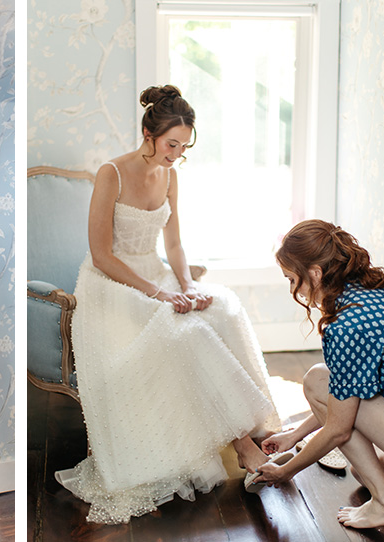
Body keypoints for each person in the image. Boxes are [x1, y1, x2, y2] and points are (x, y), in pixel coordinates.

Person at [54, 84, 283, 524]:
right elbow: (102, 255)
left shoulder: (171, 175)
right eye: (170, 144)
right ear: (148, 133)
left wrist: (185, 285)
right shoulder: (111, 173)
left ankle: (255, 430)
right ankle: (242, 445)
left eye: (184, 147)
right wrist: (159, 294)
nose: (176, 154)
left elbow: (174, 244)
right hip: (110, 285)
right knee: (188, 332)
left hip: (156, 271)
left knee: (223, 308)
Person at [254, 220, 384, 529]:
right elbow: (345, 393)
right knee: (366, 473)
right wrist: (294, 436)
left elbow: (338, 428)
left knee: (316, 379)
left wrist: (287, 471)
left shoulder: (347, 325)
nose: (293, 287)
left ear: (315, 273)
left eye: (292, 278)